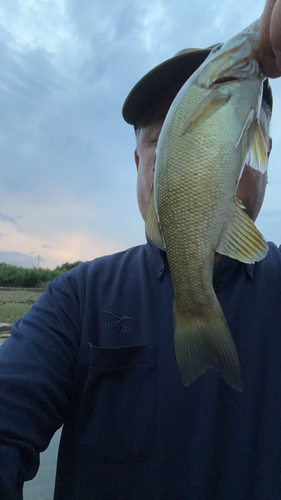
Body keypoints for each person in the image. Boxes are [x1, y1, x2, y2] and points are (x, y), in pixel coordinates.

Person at [0, 3, 281, 499]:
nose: (181, 152)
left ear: (261, 149)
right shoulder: (77, 298)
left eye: (216, 135)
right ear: (137, 164)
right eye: (160, 139)